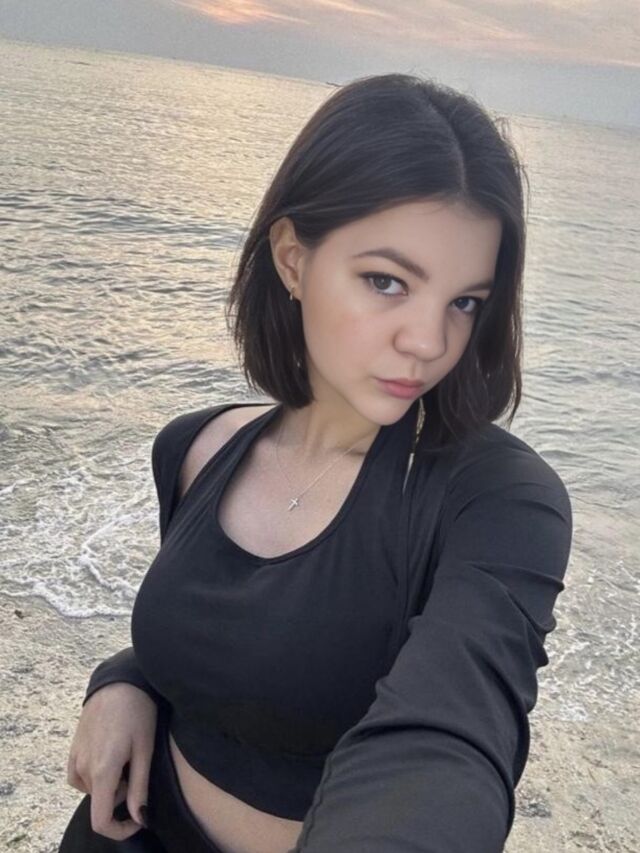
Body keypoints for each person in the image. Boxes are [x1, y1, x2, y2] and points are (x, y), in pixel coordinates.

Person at [59, 73, 573, 853]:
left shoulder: (498, 500)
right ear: (293, 259)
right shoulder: (195, 449)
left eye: (464, 301)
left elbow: (452, 737)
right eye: (387, 281)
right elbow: (233, 648)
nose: (429, 341)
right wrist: (125, 679)